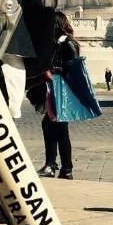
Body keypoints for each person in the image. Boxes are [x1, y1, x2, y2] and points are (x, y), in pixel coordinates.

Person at [39, 11, 80, 179]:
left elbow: (74, 70)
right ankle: (58, 167)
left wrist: (53, 71)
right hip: (57, 90)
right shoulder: (60, 43)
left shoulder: (69, 44)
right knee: (52, 126)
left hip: (64, 92)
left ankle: (61, 167)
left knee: (59, 129)